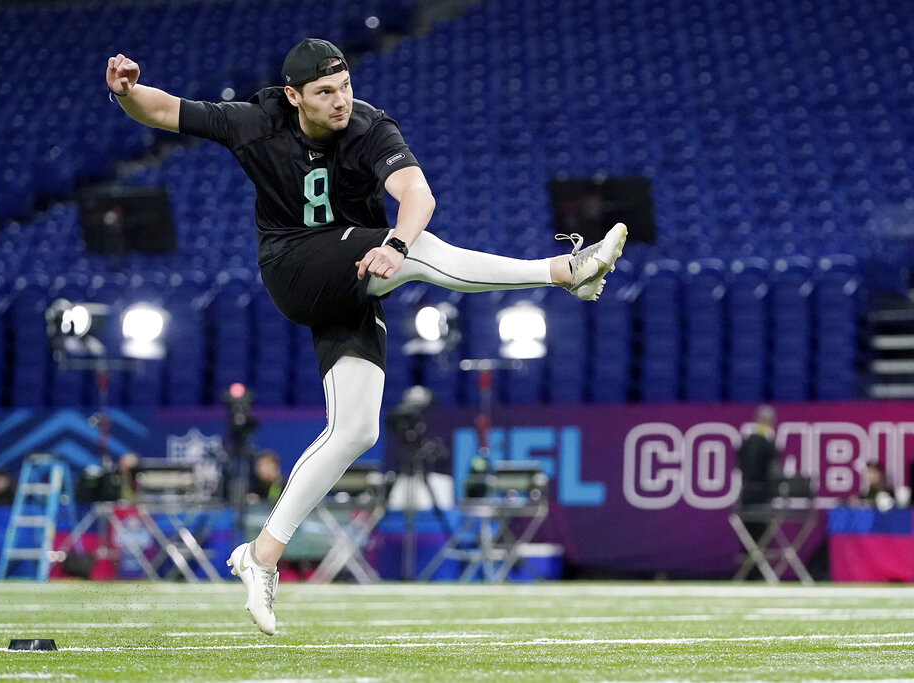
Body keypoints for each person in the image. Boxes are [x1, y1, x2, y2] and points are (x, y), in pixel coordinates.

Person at [106, 38, 627, 634]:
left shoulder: (370, 125)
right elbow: (164, 109)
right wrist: (125, 93)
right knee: (417, 252)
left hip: (355, 273)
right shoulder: (255, 120)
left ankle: (261, 555)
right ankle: (564, 271)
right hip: (294, 268)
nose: (340, 101)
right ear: (292, 96)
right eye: (325, 92)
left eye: (345, 86)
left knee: (357, 428)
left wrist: (395, 244)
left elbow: (416, 194)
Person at [735, 404, 781, 507]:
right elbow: (775, 472)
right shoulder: (769, 445)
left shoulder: (745, 442)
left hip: (745, 496)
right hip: (763, 497)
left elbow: (738, 466)